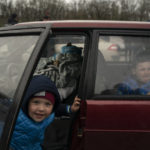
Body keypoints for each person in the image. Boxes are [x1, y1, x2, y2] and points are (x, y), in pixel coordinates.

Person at [10, 75, 80, 150]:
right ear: (26, 102)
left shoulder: (48, 113)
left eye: (47, 104)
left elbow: (57, 109)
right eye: (36, 102)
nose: (41, 109)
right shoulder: (14, 115)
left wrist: (70, 108)